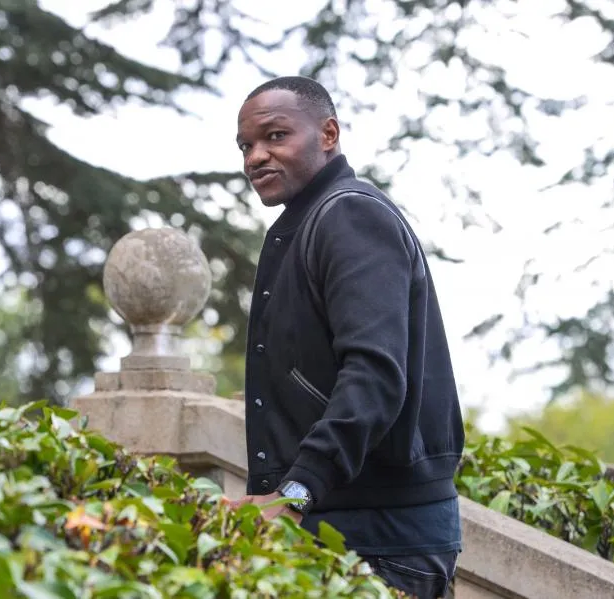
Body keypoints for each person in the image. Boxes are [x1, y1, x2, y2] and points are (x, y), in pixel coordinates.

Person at [228, 75, 466, 599]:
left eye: (275, 136)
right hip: (338, 531)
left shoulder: (350, 215)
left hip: (380, 541)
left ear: (328, 134)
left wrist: (293, 490)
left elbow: (375, 375)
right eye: (246, 146)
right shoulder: (307, 223)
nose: (255, 157)